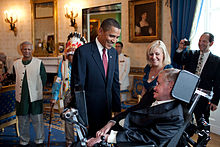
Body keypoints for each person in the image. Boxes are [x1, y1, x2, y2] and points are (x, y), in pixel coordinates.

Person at [87, 68, 184, 147]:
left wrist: (107, 138)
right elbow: (133, 110)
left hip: (125, 140)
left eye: (158, 83)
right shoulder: (151, 93)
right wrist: (111, 122)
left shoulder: (174, 116)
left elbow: (146, 138)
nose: (154, 87)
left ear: (171, 86)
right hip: (117, 128)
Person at [71, 18, 121, 137]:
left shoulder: (113, 53)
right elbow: (78, 86)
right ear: (100, 31)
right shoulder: (83, 52)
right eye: (111, 36)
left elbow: (115, 82)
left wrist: (117, 108)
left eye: (117, 37)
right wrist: (82, 115)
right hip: (89, 112)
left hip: (107, 110)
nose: (114, 41)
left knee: (104, 141)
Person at [173, 32, 220, 143]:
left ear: (211, 43)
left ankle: (201, 143)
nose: (200, 43)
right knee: (184, 119)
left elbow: (218, 82)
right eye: (199, 40)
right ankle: (182, 141)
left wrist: (215, 101)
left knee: (202, 121)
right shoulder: (191, 54)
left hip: (203, 97)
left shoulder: (217, 61)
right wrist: (180, 48)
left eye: (204, 41)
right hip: (186, 93)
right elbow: (177, 59)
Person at [50, 33, 84, 147]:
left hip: (81, 95)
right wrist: (54, 96)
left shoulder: (83, 64)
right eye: (69, 54)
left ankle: (82, 138)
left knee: (81, 118)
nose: (71, 57)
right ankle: (69, 140)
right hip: (67, 95)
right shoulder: (63, 64)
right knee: (68, 118)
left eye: (74, 54)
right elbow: (58, 80)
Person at [12, 41, 47, 146]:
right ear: (21, 50)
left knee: (37, 119)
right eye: (24, 49)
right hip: (21, 97)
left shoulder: (39, 63)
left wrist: (37, 90)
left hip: (35, 96)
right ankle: (24, 140)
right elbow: (15, 78)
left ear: (32, 50)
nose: (26, 51)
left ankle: (39, 139)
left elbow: (44, 79)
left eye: (29, 49)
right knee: (22, 120)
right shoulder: (16, 64)